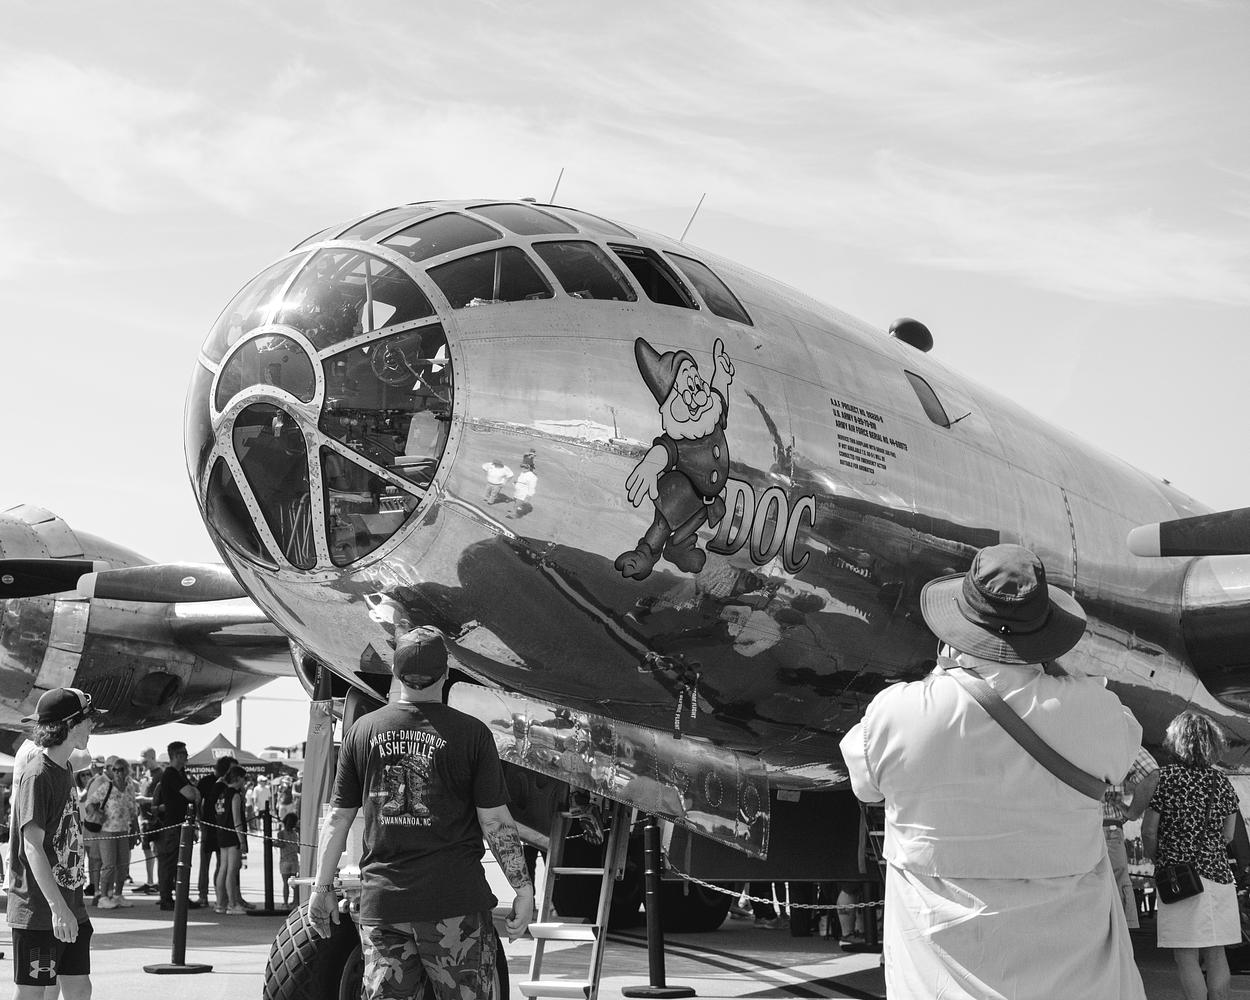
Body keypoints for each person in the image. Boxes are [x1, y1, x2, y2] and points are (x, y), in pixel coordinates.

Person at [840, 543, 1146, 1000]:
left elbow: (865, 785)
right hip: (1081, 983)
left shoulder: (899, 713)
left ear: (957, 627)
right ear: (1045, 632)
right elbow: (1125, 745)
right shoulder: (1096, 713)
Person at [310, 625, 533, 1000]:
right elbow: (494, 821)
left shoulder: (362, 732)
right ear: (445, 674)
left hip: (385, 906)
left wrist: (321, 888)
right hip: (454, 906)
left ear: (396, 673)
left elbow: (338, 818)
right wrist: (523, 889)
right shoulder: (472, 734)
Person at [6, 687, 106, 999]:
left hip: (70, 905)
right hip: (39, 912)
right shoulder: (38, 774)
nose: (92, 726)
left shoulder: (64, 768)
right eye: (88, 720)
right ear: (71, 724)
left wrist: (68, 907)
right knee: (32, 994)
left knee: (79, 989)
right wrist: (58, 908)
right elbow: (32, 846)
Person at [1143, 711, 1241, 1000]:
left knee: (1186, 956)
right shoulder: (1221, 782)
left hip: (1179, 880)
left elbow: (1149, 831)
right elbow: (1229, 835)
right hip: (1219, 878)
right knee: (1217, 954)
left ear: (1176, 742)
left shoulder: (1165, 778)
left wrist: (1158, 857)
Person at [1104, 746, 1160, 930]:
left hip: (1067, 826)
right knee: (1115, 890)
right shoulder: (1115, 736)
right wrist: (1132, 812)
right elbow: (1151, 773)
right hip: (1107, 827)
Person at [154, 742, 200, 911]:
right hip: (173, 826)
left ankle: (181, 897)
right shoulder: (171, 774)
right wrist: (194, 792)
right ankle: (166, 898)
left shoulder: (180, 774)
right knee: (170, 863)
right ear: (175, 755)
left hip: (182, 825)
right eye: (184, 753)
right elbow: (191, 794)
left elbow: (194, 794)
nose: (187, 756)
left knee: (182, 863)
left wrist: (194, 792)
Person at [88, 756, 139, 909]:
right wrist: (97, 813)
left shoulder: (129, 788)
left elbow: (133, 810)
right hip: (107, 831)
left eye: (120, 769)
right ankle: (103, 897)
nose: (117, 772)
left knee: (123, 865)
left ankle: (118, 895)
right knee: (109, 864)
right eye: (114, 769)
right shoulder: (106, 787)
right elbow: (90, 803)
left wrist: (136, 829)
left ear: (127, 771)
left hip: (123, 830)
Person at [196, 756, 236, 908]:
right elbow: (198, 802)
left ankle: (220, 896)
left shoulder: (226, 783)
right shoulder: (208, 782)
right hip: (210, 826)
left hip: (220, 827)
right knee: (209, 864)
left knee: (221, 864)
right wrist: (200, 821)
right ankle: (204, 895)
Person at [213, 765, 249, 914]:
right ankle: (232, 904)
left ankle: (220, 903)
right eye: (244, 778)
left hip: (221, 833)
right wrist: (242, 841)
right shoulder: (235, 795)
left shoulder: (222, 793)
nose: (245, 782)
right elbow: (237, 820)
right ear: (238, 778)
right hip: (233, 836)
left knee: (223, 868)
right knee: (232, 870)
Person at [277, 812, 300, 907]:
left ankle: (285, 903)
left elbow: (281, 844)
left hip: (284, 860)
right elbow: (297, 848)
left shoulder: (281, 833)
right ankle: (295, 901)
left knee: (285, 884)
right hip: (294, 860)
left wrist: (272, 843)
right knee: (294, 884)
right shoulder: (295, 834)